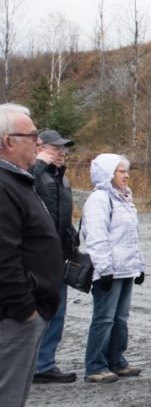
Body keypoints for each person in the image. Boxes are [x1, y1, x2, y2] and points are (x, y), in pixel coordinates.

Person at [0, 103, 63, 407]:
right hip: (13, 318)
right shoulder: (3, 186)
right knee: (3, 403)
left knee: (12, 403)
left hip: (25, 314)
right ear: (7, 142)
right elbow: (4, 256)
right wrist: (24, 308)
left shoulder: (17, 182)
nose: (37, 143)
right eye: (31, 137)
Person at [82, 153, 145, 383]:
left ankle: (116, 361)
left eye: (126, 171)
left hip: (126, 269)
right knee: (104, 319)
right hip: (109, 271)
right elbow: (97, 237)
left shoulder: (125, 198)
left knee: (120, 319)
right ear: (108, 174)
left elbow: (131, 236)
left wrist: (139, 266)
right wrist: (104, 269)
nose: (126, 175)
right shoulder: (99, 199)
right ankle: (95, 365)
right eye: (121, 171)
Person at [30, 129, 78, 384]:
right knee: (35, 312)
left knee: (57, 311)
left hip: (58, 255)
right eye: (54, 148)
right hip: (37, 258)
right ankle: (30, 364)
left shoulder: (62, 178)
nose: (60, 153)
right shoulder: (31, 173)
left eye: (62, 149)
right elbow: (21, 185)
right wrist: (39, 164)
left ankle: (45, 363)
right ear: (39, 148)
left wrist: (72, 238)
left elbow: (63, 215)